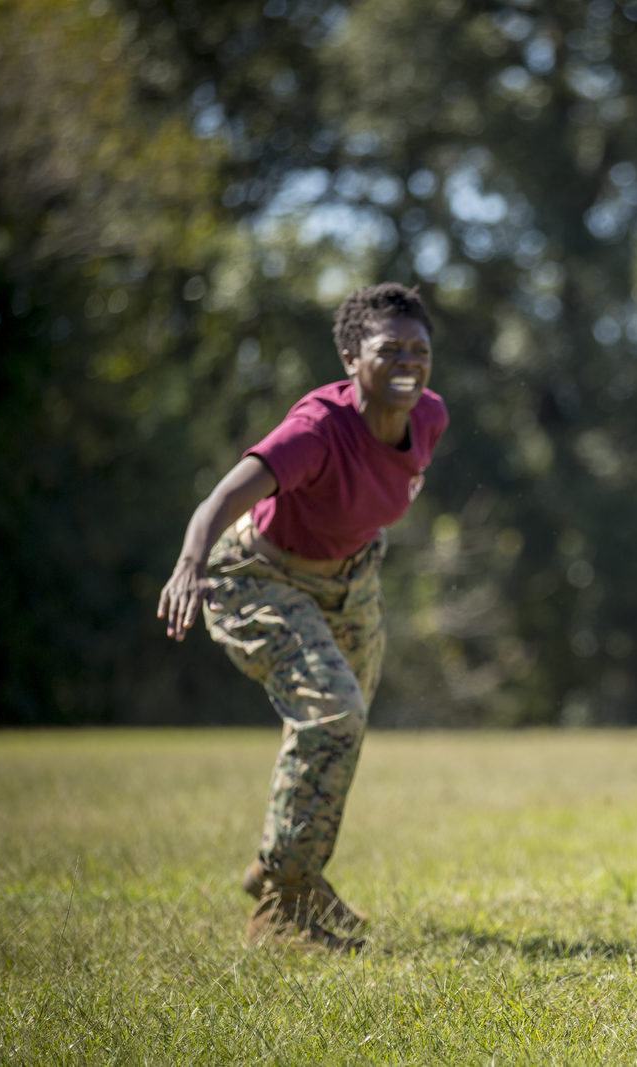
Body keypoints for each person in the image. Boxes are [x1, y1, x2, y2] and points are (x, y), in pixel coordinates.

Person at [157, 283, 447, 951]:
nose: (408, 361)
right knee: (332, 712)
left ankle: (284, 866)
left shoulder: (429, 415)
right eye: (389, 348)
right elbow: (222, 497)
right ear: (350, 356)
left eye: (420, 349)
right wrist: (189, 563)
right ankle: (283, 906)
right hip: (258, 575)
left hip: (351, 581)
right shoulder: (317, 429)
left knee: (342, 724)